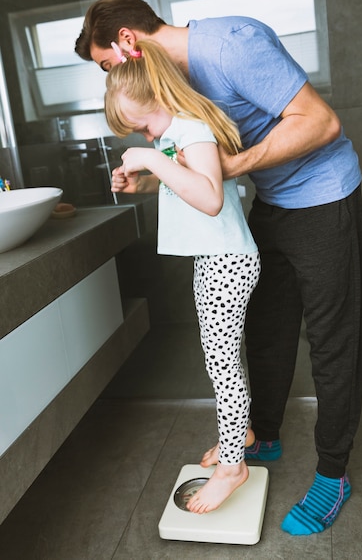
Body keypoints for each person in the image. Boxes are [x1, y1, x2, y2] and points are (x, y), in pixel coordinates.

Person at [75, 0, 362, 535]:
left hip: (323, 196)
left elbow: (321, 123)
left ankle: (333, 473)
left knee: (331, 341)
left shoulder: (231, 48)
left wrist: (224, 166)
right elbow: (198, 159)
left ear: (127, 42)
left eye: (108, 65)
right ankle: (265, 436)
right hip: (273, 200)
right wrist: (158, 169)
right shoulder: (178, 85)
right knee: (266, 330)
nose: (116, 77)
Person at [104, 38, 260, 514]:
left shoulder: (191, 129)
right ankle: (243, 433)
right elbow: (186, 182)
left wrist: (151, 161)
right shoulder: (177, 134)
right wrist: (146, 180)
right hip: (213, 259)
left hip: (226, 260)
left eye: (144, 125)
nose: (146, 138)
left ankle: (233, 466)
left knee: (221, 365)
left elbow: (210, 197)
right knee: (222, 359)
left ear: (160, 95)